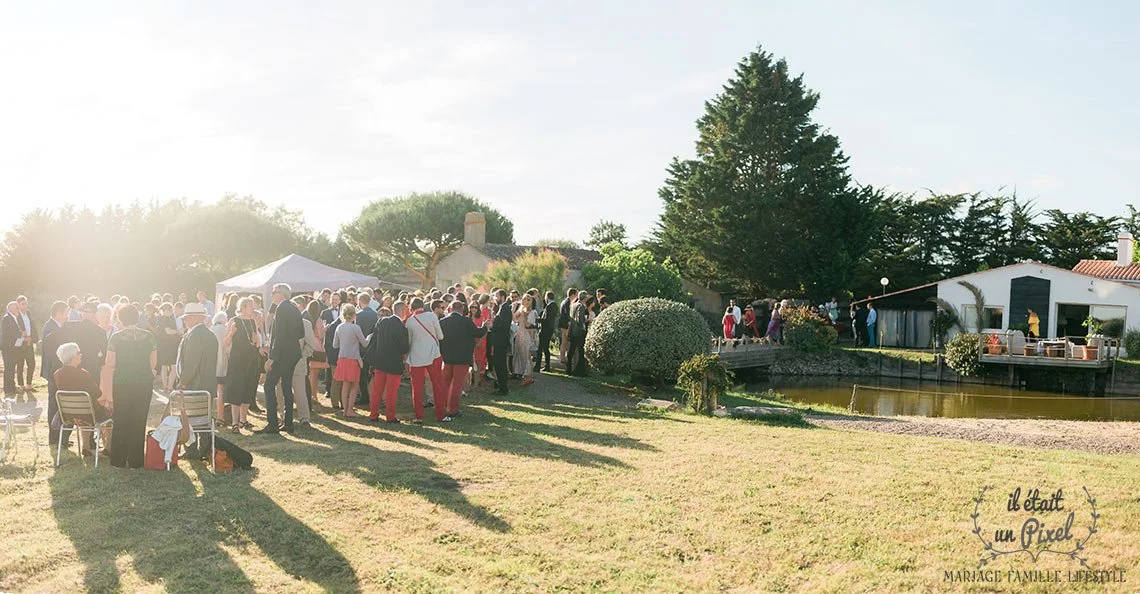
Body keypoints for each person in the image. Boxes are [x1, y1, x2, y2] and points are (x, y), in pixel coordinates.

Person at [102, 305, 157, 468]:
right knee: (139, 420)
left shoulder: (116, 338)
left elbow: (110, 363)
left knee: (121, 419)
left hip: (122, 383)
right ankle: (136, 460)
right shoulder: (148, 336)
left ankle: (118, 459)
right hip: (143, 383)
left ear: (120, 319)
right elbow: (153, 362)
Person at [259, 283, 304, 435]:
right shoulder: (294, 308)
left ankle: (272, 424)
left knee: (269, 386)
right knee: (286, 387)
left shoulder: (282, 308)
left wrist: (272, 358)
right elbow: (300, 333)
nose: (272, 295)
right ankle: (288, 423)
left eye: (274, 292)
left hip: (282, 355)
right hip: (292, 353)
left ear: (281, 294)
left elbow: (279, 336)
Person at [53, 342, 111, 456]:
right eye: (79, 353)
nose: (81, 354)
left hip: (67, 413)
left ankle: (86, 447)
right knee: (111, 415)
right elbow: (98, 393)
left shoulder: (57, 374)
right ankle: (108, 448)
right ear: (73, 356)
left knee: (84, 414)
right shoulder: (83, 374)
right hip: (88, 412)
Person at [440, 301, 487, 418]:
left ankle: (442, 406)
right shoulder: (466, 321)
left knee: (445, 382)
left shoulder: (442, 322)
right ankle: (453, 409)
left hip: (447, 357)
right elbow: (478, 332)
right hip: (462, 357)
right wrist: (486, 326)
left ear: (450, 309)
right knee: (457, 384)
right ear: (461, 310)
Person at [365, 303, 409, 423]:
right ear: (403, 311)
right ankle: (390, 416)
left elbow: (374, 339)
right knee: (391, 391)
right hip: (394, 362)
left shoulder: (381, 322)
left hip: (379, 360)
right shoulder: (401, 327)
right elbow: (404, 348)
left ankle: (373, 414)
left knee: (377, 390)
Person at [224, 297, 261, 433]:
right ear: (244, 307)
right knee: (236, 389)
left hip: (251, 358)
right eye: (251, 306)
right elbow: (225, 343)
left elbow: (257, 342)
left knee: (248, 388)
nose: (253, 309)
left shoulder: (252, 322)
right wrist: (231, 334)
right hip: (237, 359)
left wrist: (257, 340)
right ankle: (234, 422)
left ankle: (243, 420)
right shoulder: (234, 321)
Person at [406, 297, 445, 422]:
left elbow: (409, 341)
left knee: (416, 388)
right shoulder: (432, 316)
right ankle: (441, 415)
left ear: (411, 308)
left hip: (416, 356)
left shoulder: (410, 321)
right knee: (437, 385)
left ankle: (418, 416)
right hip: (433, 354)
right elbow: (440, 336)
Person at [175, 303, 219, 402]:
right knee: (204, 415)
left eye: (186, 318)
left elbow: (191, 363)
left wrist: (183, 382)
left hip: (195, 386)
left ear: (195, 318)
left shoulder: (194, 335)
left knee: (192, 416)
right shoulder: (210, 334)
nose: (184, 321)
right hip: (207, 385)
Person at [332, 303, 367, 418]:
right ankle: (350, 409)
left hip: (342, 358)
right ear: (354, 315)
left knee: (345, 385)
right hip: (353, 358)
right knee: (354, 385)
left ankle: (345, 409)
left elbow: (334, 345)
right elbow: (364, 343)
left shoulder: (339, 327)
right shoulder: (355, 327)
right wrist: (370, 337)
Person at [488, 291, 513, 395]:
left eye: (496, 296)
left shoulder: (505, 308)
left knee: (500, 365)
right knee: (498, 365)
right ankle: (501, 386)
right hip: (499, 340)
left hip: (501, 341)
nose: (495, 298)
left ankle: (503, 389)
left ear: (502, 297)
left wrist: (493, 323)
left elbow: (503, 324)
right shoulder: (502, 308)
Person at [154, 303, 180, 392]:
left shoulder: (159, 319)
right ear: (167, 310)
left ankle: (165, 386)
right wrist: (178, 331)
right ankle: (170, 387)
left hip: (162, 345)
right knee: (174, 366)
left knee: (164, 367)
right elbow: (168, 331)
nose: (172, 312)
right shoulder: (167, 319)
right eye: (171, 310)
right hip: (170, 345)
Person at [512, 295, 537, 385]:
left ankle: (528, 376)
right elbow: (514, 319)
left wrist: (523, 315)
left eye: (525, 300)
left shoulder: (532, 312)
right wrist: (514, 308)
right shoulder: (521, 309)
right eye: (522, 299)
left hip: (526, 335)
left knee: (526, 355)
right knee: (520, 354)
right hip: (520, 333)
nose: (522, 301)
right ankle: (522, 374)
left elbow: (528, 325)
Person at [14, 296, 37, 394]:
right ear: (18, 304)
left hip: (29, 342)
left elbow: (32, 327)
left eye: (26, 303)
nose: (25, 305)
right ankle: (21, 385)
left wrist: (32, 338)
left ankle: (28, 385)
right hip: (20, 342)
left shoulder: (28, 313)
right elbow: (15, 330)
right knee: (20, 364)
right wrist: (24, 338)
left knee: (31, 363)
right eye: (23, 303)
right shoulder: (16, 315)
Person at [567, 296, 593, 376]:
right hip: (579, 332)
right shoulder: (581, 306)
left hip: (572, 330)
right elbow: (579, 319)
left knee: (571, 351)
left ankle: (568, 369)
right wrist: (583, 327)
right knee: (581, 352)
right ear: (585, 298)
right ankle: (580, 371)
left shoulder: (573, 305)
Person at [1, 301, 24, 396]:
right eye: (17, 308)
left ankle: (11, 387)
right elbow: (8, 334)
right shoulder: (7, 318)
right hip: (8, 348)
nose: (19, 309)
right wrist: (20, 334)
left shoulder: (14, 318)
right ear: (11, 308)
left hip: (14, 348)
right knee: (9, 368)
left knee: (11, 368)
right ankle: (8, 389)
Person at [210, 312, 229, 423]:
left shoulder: (210, 330)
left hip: (212, 365)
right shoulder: (226, 330)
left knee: (209, 391)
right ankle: (220, 417)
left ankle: (208, 415)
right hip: (223, 365)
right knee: (220, 391)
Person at [536, 291, 559, 372]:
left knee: (541, 348)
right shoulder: (553, 306)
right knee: (545, 348)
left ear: (547, 297)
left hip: (546, 330)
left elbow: (547, 320)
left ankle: (539, 366)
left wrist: (538, 320)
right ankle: (546, 365)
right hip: (548, 329)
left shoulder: (550, 307)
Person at [558, 288, 578, 369]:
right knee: (568, 342)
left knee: (564, 342)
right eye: (576, 295)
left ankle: (562, 358)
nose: (577, 297)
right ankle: (566, 359)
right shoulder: (568, 302)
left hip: (563, 325)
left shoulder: (564, 301)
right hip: (566, 325)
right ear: (572, 295)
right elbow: (568, 314)